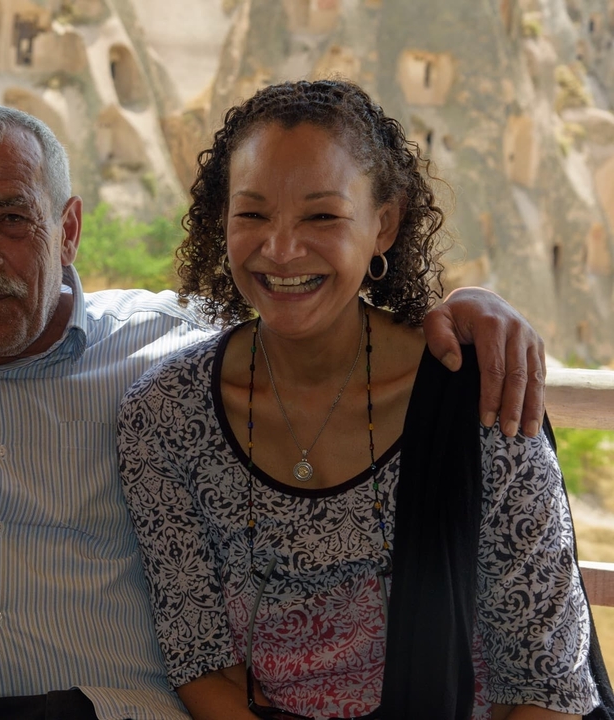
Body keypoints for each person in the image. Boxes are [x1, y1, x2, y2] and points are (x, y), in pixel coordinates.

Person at [0, 101, 550, 720]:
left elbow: (304, 302)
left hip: (122, 711)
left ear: (69, 228)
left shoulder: (169, 357)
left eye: (14, 218)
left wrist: (471, 307)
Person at [116, 79, 605, 719]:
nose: (282, 249)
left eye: (322, 216)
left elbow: (552, 688)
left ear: (384, 224)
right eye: (253, 214)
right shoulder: (164, 417)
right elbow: (202, 660)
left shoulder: (477, 399)